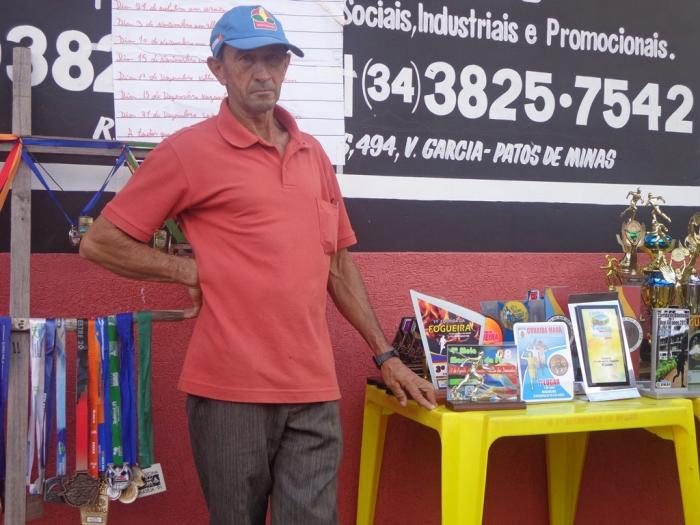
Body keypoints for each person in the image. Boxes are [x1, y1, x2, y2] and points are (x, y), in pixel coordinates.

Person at [80, 5, 436, 524]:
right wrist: (190, 271)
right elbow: (100, 242)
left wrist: (386, 356)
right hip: (229, 395)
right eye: (247, 59)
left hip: (314, 393)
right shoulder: (187, 152)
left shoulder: (313, 155)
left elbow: (338, 267)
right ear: (217, 69)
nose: (264, 72)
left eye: (275, 58)